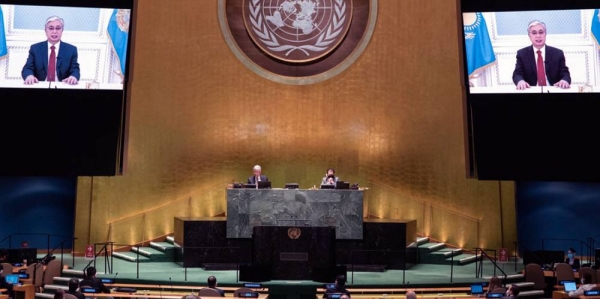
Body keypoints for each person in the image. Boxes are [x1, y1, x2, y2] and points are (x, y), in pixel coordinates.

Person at [22, 16, 80, 85]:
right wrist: (29, 75)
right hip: (40, 86)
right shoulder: (35, 48)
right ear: (45, 31)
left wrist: (73, 76)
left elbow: (75, 69)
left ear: (62, 31)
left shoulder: (71, 50)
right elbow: (27, 68)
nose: (54, 31)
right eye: (51, 28)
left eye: (58, 28)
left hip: (62, 86)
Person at [512, 20, 570, 90]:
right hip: (531, 90)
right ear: (529, 36)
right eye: (534, 33)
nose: (538, 36)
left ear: (545, 34)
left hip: (553, 89)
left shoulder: (558, 53)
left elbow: (565, 73)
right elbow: (517, 74)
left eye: (541, 32)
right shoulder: (522, 54)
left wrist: (564, 80)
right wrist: (520, 81)